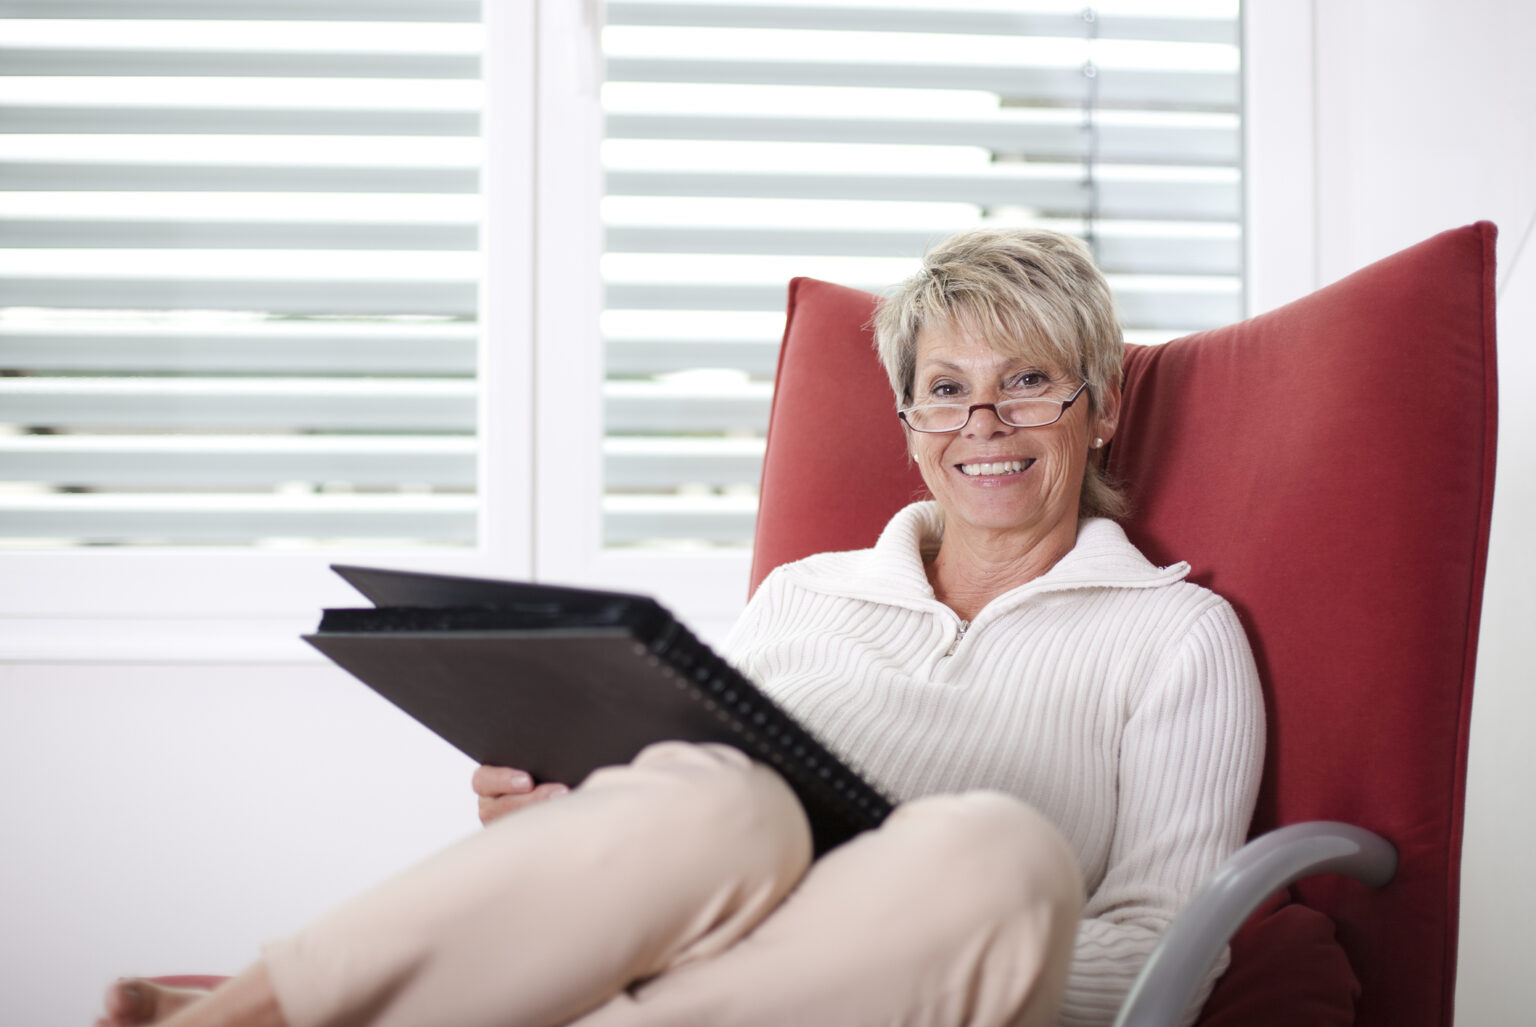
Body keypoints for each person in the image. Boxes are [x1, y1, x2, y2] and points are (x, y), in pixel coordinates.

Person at [98, 228, 1264, 1027]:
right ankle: (246, 1012)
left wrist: (867, 924)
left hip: (907, 973)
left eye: (1029, 381)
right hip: (685, 941)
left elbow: (1167, 945)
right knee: (722, 796)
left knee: (998, 852)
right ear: (909, 419)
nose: (984, 423)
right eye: (946, 388)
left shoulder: (1176, 634)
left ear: (1102, 406)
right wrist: (560, 812)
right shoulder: (805, 594)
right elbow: (675, 834)